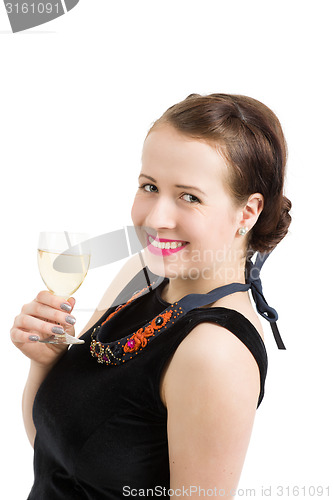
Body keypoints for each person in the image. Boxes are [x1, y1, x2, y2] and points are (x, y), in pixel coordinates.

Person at [11, 93, 292, 499]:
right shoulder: (141, 275)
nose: (156, 219)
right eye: (149, 186)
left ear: (247, 212)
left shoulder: (215, 353)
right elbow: (53, 452)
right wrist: (45, 361)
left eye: (189, 196)